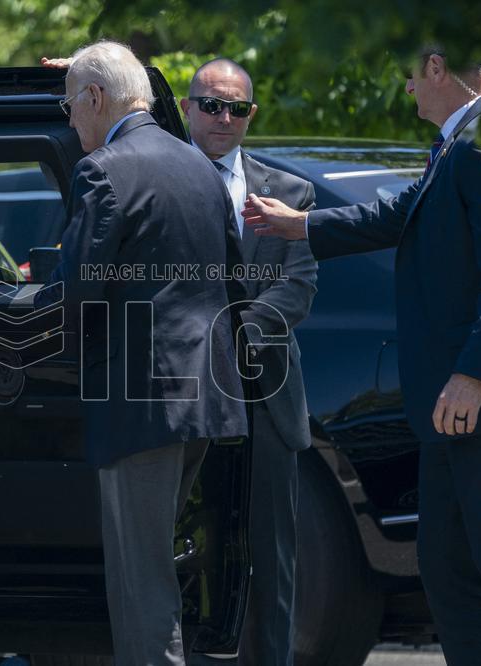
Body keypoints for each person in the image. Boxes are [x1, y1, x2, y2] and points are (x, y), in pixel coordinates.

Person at [241, 47, 481, 666]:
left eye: (410, 75)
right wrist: (304, 226)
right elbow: (405, 213)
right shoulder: (465, 143)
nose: (407, 89)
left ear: (437, 67)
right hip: (449, 407)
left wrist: (472, 373)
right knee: (449, 567)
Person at [40, 41, 248, 665]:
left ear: (96, 98)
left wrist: (14, 315)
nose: (70, 120)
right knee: (155, 566)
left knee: (141, 584)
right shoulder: (200, 168)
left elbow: (80, 292)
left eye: (69, 105)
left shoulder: (104, 169)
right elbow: (235, 281)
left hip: (140, 407)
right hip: (204, 400)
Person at [181, 58, 317, 666]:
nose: (223, 118)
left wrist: (234, 335)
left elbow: (299, 286)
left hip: (267, 392)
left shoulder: (290, 193)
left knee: (272, 556)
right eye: (211, 105)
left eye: (236, 107)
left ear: (251, 114)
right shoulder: (160, 181)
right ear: (187, 108)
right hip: (183, 396)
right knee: (189, 548)